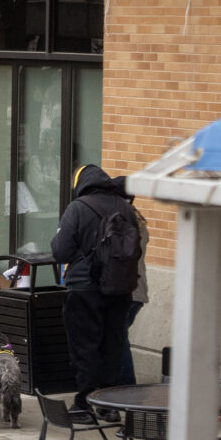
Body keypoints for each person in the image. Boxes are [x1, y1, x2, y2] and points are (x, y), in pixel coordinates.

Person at [50, 164, 138, 421]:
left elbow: (60, 251)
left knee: (85, 346)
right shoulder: (125, 207)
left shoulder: (78, 207)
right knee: (112, 345)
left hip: (83, 288)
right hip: (120, 288)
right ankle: (108, 405)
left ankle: (84, 404)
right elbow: (137, 248)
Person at [113, 176, 150, 386]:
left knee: (118, 340)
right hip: (137, 291)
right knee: (118, 338)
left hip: (128, 290)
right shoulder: (137, 220)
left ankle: (127, 387)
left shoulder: (124, 223)